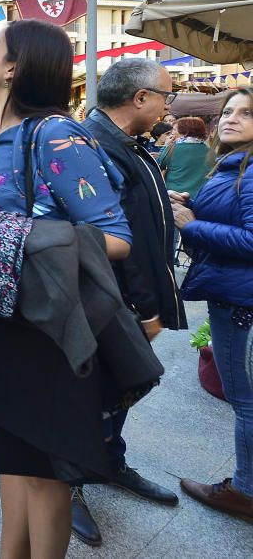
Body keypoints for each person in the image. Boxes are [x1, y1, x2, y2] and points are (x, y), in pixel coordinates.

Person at [0, 20, 133, 557]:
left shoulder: (54, 134)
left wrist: (16, 237)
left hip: (42, 327)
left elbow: (117, 237)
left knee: (43, 474)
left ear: (13, 67)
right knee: (10, 459)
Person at [77, 58, 186, 546]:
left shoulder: (124, 143)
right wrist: (145, 308)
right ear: (140, 98)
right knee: (93, 391)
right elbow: (112, 238)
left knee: (121, 385)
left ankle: (109, 463)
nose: (170, 104)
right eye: (166, 94)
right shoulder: (94, 144)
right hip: (110, 301)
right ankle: (70, 485)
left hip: (129, 298)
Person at [173, 87, 253, 521]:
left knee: (245, 400)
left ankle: (244, 491)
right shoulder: (235, 163)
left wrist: (195, 224)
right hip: (236, 293)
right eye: (227, 111)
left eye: (245, 113)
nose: (231, 118)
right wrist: (194, 205)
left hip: (240, 302)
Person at [157, 116, 213, 199]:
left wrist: (166, 145)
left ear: (185, 132)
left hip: (174, 196)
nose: (172, 133)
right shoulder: (210, 151)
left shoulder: (171, 148)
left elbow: (157, 164)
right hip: (201, 196)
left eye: (175, 130)